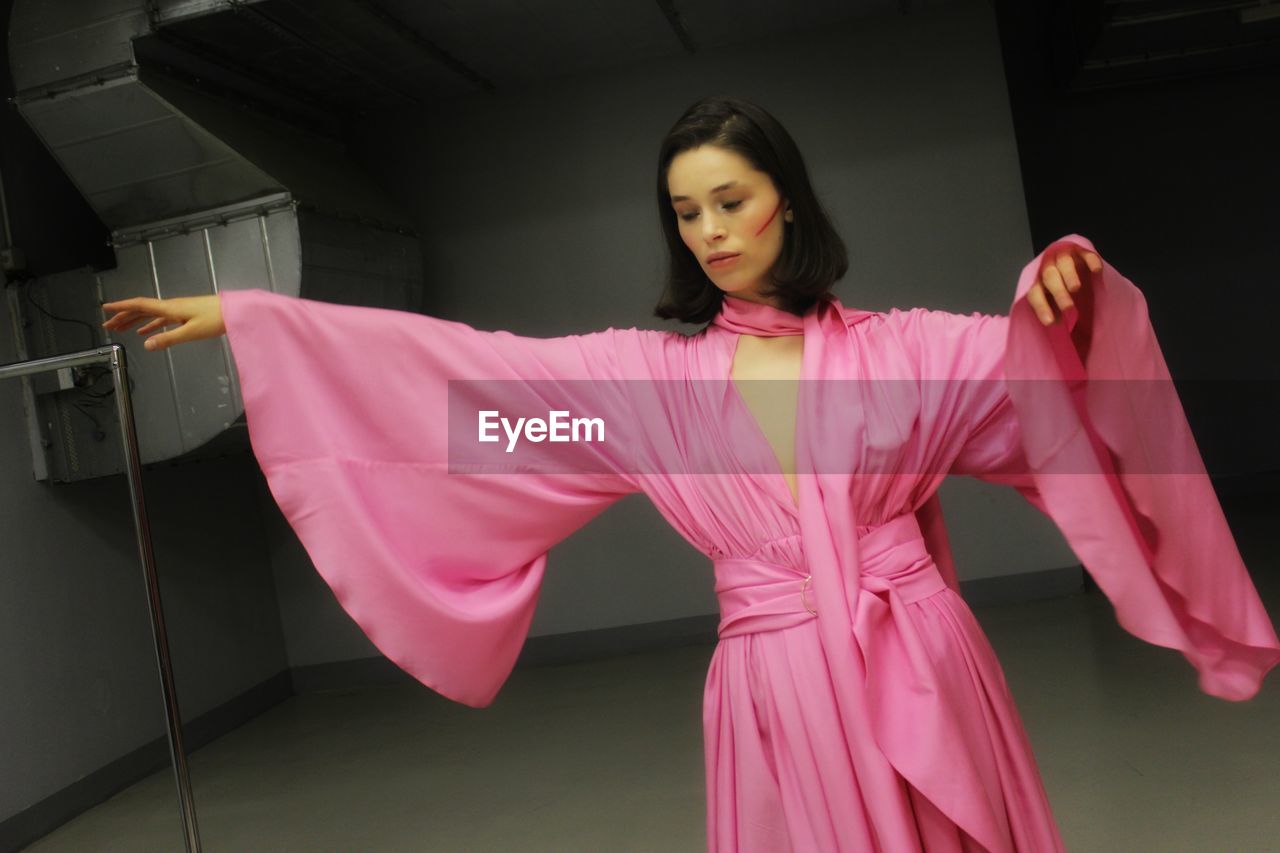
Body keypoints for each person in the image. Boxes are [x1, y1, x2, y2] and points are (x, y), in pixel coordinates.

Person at [101, 96, 1280, 852]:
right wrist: (253, 321)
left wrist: (1062, 284)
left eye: (729, 200)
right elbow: (473, 402)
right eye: (685, 212)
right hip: (772, 690)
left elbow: (1040, 382)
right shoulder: (643, 396)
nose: (710, 230)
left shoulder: (910, 354)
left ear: (783, 205)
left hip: (915, 655)